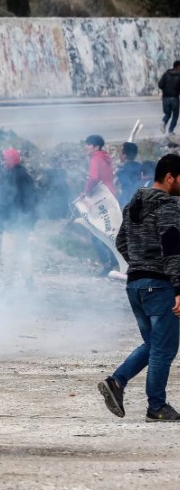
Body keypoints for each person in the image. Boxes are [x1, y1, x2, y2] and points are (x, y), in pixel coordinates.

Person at [98, 154, 180, 422]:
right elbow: (172, 250)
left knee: (153, 343)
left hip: (135, 285)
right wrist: (178, 288)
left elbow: (120, 242)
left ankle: (117, 382)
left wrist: (140, 263)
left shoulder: (134, 203)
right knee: (164, 349)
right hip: (159, 286)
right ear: (170, 177)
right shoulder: (168, 206)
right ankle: (156, 406)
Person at [0, 148, 37, 288]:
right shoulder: (24, 175)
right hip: (20, 223)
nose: (2, 162)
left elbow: (27, 202)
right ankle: (29, 282)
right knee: (23, 253)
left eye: (5, 159)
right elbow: (32, 202)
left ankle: (8, 284)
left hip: (13, 223)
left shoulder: (14, 176)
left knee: (8, 255)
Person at [82, 134, 118, 276]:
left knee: (96, 233)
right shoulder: (105, 158)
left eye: (88, 144)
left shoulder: (95, 159)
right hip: (110, 197)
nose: (86, 147)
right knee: (108, 231)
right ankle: (115, 260)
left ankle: (107, 266)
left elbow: (94, 178)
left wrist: (86, 192)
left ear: (96, 147)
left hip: (100, 199)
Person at [158, 60, 180, 136]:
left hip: (165, 98)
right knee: (175, 114)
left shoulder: (166, 74)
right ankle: (170, 130)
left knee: (167, 114)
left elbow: (160, 85)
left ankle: (163, 122)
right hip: (174, 98)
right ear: (178, 66)